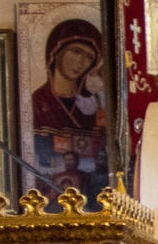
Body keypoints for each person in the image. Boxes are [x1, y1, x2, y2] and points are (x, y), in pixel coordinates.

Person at [30, 17, 108, 202]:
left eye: (89, 57)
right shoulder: (37, 103)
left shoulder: (93, 106)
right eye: (76, 51)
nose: (81, 62)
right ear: (56, 52)